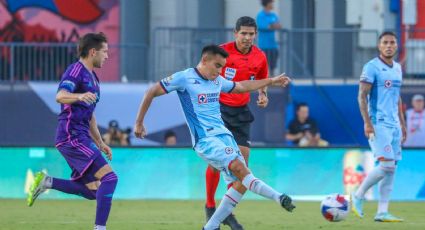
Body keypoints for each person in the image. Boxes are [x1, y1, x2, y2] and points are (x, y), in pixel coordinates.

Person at [133, 44, 295, 230]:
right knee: (240, 169)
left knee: (241, 183)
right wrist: (139, 122)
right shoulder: (184, 78)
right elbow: (151, 92)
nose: (220, 71)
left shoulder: (217, 80)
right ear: (204, 60)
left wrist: (270, 81)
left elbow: (241, 86)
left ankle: (210, 227)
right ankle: (279, 197)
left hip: (225, 136)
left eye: (222, 67)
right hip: (205, 139)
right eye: (217, 65)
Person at [27, 32, 118, 230]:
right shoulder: (75, 71)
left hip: (81, 136)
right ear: (93, 52)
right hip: (71, 136)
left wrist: (101, 143)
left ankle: (47, 182)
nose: (107, 56)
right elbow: (60, 96)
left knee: (93, 190)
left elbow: (91, 115)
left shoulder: (93, 78)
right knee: (110, 178)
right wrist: (79, 96)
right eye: (105, 52)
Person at [205, 16, 274, 229]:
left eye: (251, 34)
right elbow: (205, 74)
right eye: (243, 33)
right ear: (235, 33)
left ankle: (224, 212)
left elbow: (262, 77)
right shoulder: (221, 52)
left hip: (241, 111)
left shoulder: (260, 56)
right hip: (219, 109)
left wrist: (263, 93)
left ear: (256, 35)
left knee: (242, 166)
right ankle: (210, 207)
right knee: (217, 162)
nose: (247, 38)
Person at [351, 31, 406, 222]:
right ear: (379, 46)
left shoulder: (398, 68)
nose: (389, 45)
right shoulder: (372, 67)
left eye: (392, 42)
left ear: (397, 46)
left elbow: (397, 98)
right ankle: (358, 195)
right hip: (378, 123)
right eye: (385, 42)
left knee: (393, 167)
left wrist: (403, 124)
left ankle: (382, 211)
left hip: (394, 125)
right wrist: (367, 122)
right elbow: (361, 96)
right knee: (386, 165)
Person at [257, 0, 281, 75]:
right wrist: (272, 26)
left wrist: (271, 26)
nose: (272, 4)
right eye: (271, 3)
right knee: (264, 64)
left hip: (273, 45)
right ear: (267, 4)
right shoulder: (260, 15)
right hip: (264, 45)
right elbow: (263, 26)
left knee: (273, 64)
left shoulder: (274, 15)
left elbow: (279, 25)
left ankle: (272, 79)